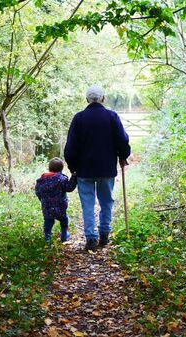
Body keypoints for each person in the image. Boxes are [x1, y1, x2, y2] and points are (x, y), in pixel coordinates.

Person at [64, 85, 131, 251]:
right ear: (103, 98)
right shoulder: (111, 116)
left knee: (87, 204)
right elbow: (122, 140)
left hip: (84, 170)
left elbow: (70, 147)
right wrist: (123, 156)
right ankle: (104, 234)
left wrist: (73, 167)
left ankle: (91, 239)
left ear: (87, 99)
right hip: (106, 168)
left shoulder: (79, 118)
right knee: (106, 201)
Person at [35, 157, 78, 242]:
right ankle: (64, 236)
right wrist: (74, 177)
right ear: (61, 169)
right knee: (64, 220)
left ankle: (47, 238)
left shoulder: (41, 180)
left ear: (49, 168)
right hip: (60, 206)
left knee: (48, 222)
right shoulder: (61, 179)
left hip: (46, 207)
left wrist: (43, 200)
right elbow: (69, 188)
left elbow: (38, 191)